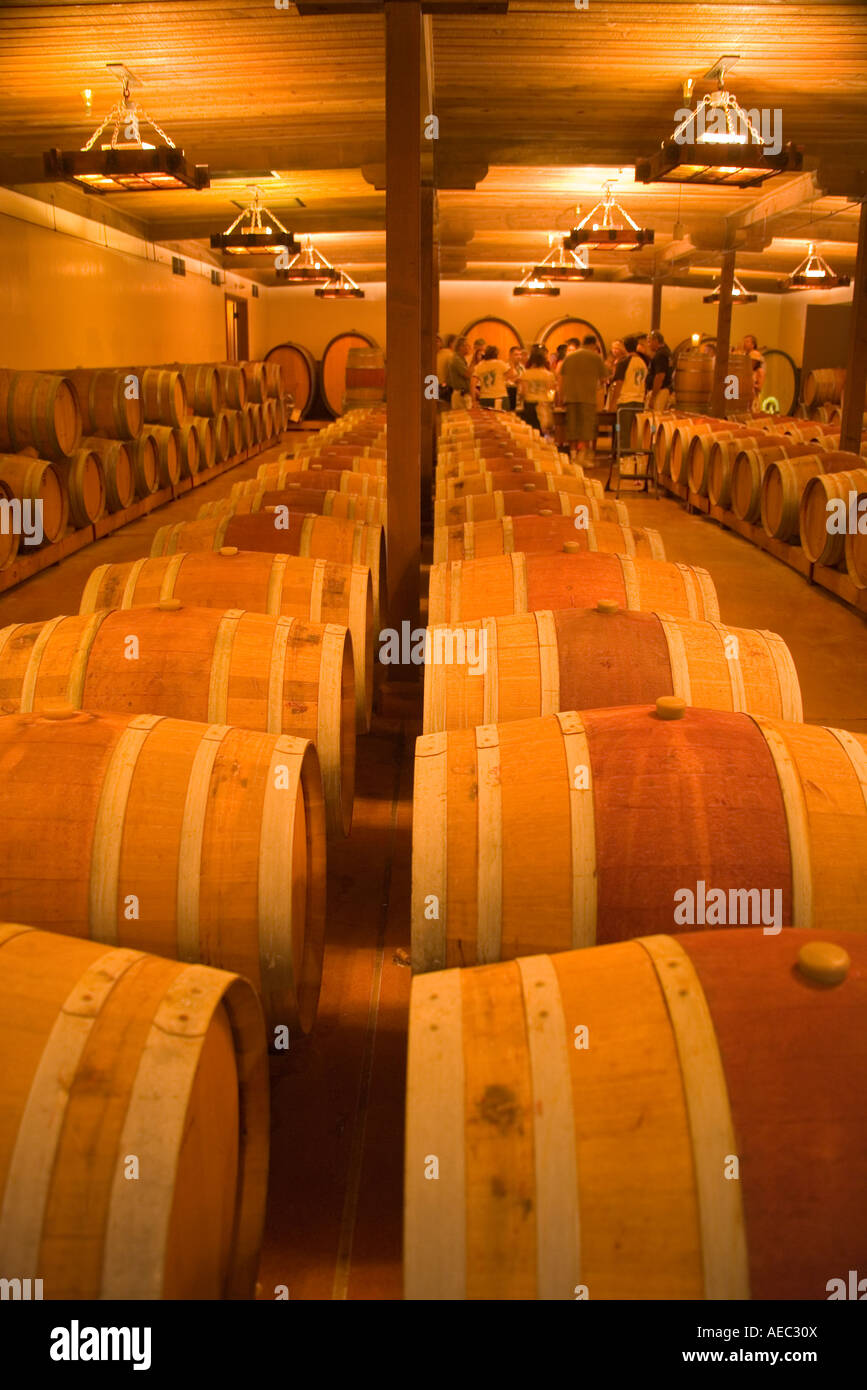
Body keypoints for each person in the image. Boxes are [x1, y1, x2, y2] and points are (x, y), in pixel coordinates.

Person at [558, 335, 608, 461]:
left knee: (572, 428)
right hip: (588, 398)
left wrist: (560, 397)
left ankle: (573, 455)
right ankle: (583, 456)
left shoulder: (569, 357)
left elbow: (561, 379)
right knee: (586, 429)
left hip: (571, 397)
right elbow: (603, 379)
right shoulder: (595, 358)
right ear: (593, 345)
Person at [608, 334, 648, 457]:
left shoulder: (624, 362)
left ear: (625, 347)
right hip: (639, 400)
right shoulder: (642, 362)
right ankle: (633, 458)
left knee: (623, 432)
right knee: (634, 433)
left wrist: (613, 402)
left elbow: (619, 383)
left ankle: (624, 460)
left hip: (626, 400)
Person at [517, 346, 557, 435]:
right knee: (542, 432)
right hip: (543, 404)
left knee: (531, 431)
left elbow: (523, 391)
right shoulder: (549, 375)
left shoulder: (526, 374)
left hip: (529, 404)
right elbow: (551, 391)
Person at [473, 344, 511, 410]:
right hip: (500, 397)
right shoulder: (500, 363)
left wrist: (473, 400)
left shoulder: (480, 365)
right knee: (501, 418)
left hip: (485, 398)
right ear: (496, 354)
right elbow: (511, 374)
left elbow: (472, 383)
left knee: (487, 419)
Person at [646, 330, 673, 408]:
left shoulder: (660, 355)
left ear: (656, 341)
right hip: (664, 389)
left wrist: (653, 397)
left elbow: (659, 376)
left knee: (654, 416)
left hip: (659, 392)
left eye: (649, 342)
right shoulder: (667, 351)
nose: (648, 345)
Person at [447, 337, 473, 410]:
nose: (469, 347)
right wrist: (474, 361)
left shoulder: (461, 358)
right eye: (467, 345)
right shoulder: (456, 359)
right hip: (460, 395)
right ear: (460, 347)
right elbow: (467, 375)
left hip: (463, 394)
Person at [742, 333, 766, 406]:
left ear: (753, 344)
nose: (744, 344)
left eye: (747, 341)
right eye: (744, 341)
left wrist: (750, 384)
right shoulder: (745, 369)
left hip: (753, 400)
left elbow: (759, 387)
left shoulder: (760, 371)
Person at [505, 345, 524, 412]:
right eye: (516, 355)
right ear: (510, 355)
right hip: (509, 397)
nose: (519, 357)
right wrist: (514, 380)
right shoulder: (505, 367)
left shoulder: (522, 368)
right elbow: (503, 382)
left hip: (519, 399)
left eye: (520, 354)